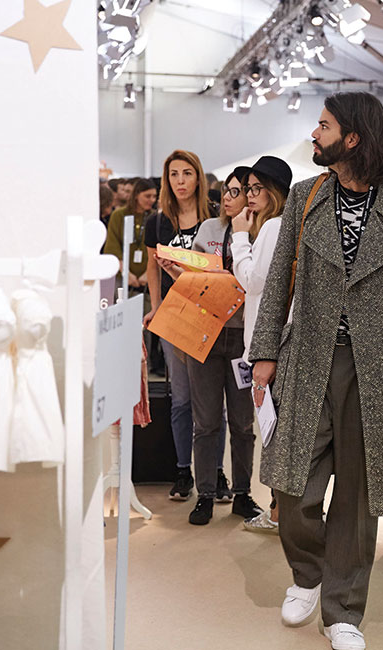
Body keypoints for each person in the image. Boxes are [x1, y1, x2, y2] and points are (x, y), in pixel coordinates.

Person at [247, 91, 383, 650]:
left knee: (358, 496)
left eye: (324, 125)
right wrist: (265, 353)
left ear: (352, 137)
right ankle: (307, 574)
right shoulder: (307, 197)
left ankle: (343, 610)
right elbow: (281, 281)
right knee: (293, 486)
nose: (314, 133)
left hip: (379, 371)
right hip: (309, 360)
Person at [183, 164, 272, 526]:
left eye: (243, 191)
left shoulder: (262, 231)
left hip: (242, 337)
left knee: (242, 422)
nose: (234, 198)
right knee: (205, 421)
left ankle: (242, 494)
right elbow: (195, 274)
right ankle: (205, 493)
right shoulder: (209, 229)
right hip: (205, 332)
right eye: (230, 191)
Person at [143, 151, 227, 503]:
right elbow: (151, 268)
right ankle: (182, 470)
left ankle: (216, 472)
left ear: (198, 178)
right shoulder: (158, 222)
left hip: (210, 314)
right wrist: (156, 307)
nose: (180, 180)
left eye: (187, 173)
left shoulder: (214, 218)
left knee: (212, 404)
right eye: (173, 174)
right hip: (176, 315)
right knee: (181, 399)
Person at [228, 156, 295, 535]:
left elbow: (254, 281)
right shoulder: (282, 226)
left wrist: (240, 238)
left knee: (273, 428)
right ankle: (279, 509)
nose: (249, 197)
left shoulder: (272, 228)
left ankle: (279, 512)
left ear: (274, 191)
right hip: (279, 341)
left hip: (269, 345)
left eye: (255, 189)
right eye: (246, 189)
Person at [104, 179, 155, 295]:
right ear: (136, 195)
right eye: (147, 196)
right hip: (121, 279)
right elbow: (113, 246)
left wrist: (149, 273)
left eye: (154, 196)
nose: (152, 200)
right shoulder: (119, 215)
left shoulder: (155, 217)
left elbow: (160, 248)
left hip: (148, 281)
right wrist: (126, 273)